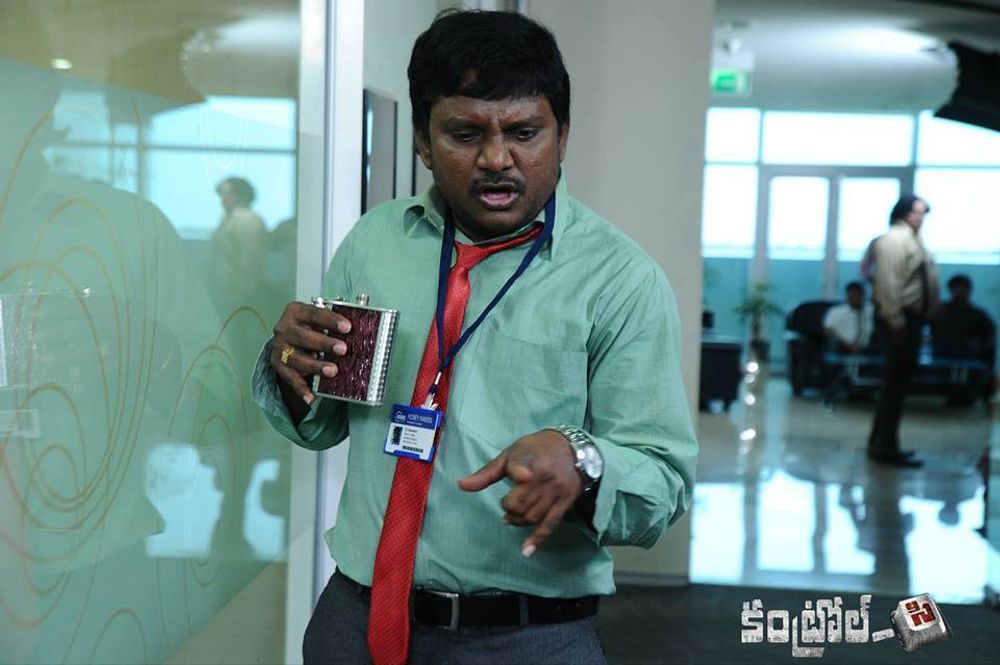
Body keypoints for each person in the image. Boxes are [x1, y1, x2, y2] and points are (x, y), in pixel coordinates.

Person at [252, 9, 697, 665]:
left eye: (524, 132)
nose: (496, 159)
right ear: (423, 141)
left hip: (527, 638)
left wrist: (585, 463)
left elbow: (663, 484)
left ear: (563, 136)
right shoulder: (375, 243)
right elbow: (321, 425)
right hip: (354, 618)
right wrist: (290, 366)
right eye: (465, 134)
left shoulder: (621, 282)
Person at [866, 194, 939, 468]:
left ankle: (882, 442)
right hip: (900, 321)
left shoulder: (912, 241)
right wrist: (896, 321)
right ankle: (884, 446)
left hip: (911, 320)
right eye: (917, 212)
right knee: (893, 386)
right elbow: (887, 285)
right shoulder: (894, 241)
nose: (921, 218)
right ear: (905, 213)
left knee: (896, 387)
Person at [931, 274, 996, 404]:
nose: (960, 291)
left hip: (967, 352)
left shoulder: (977, 314)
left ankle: (967, 393)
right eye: (957, 288)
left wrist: (984, 344)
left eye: (963, 288)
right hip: (944, 350)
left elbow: (990, 331)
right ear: (951, 289)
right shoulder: (941, 311)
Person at [823, 281, 874, 354]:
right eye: (852, 296)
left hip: (868, 350)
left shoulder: (871, 311)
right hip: (842, 349)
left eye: (858, 295)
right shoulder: (836, 312)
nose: (856, 299)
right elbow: (828, 331)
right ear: (847, 296)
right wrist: (847, 346)